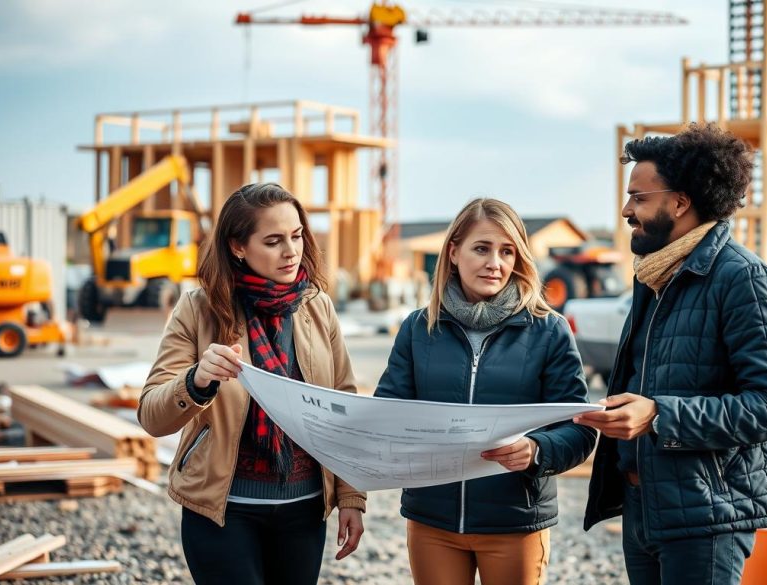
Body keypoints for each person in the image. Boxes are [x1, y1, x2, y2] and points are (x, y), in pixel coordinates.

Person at [576, 123, 767, 585]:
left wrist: (659, 415)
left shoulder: (744, 280)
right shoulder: (652, 277)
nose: (625, 210)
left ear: (680, 202)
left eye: (639, 198)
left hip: (707, 515)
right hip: (645, 507)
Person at [138, 183, 365, 585]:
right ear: (238, 247)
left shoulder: (317, 305)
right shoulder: (198, 308)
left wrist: (350, 496)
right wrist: (197, 380)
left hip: (305, 509)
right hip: (223, 511)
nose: (291, 251)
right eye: (274, 241)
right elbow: (152, 416)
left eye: (296, 236)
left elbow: (342, 404)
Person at [374, 198, 597, 585]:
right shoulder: (418, 328)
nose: (495, 262)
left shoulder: (549, 330)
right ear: (454, 251)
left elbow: (579, 428)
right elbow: (387, 413)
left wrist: (537, 451)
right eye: (482, 248)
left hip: (514, 520)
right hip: (433, 520)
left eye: (506, 251)